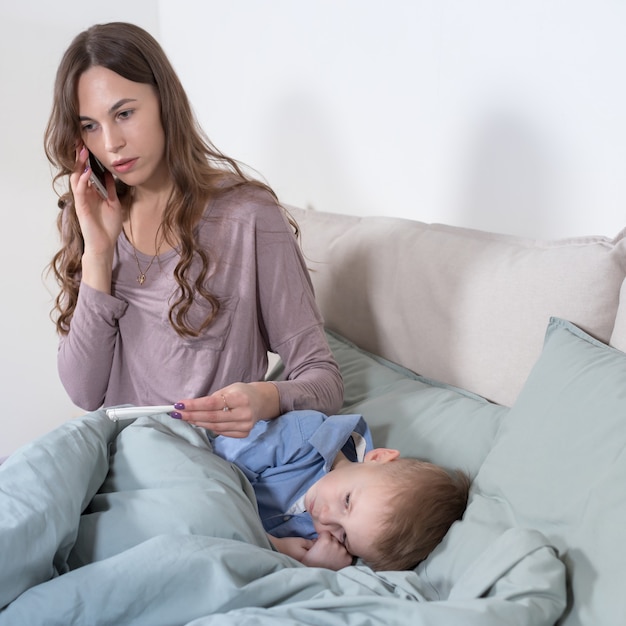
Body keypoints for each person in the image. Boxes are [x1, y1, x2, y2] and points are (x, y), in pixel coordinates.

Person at [44, 22, 343, 437]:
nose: (110, 143)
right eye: (90, 126)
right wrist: (97, 251)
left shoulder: (247, 216)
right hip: (115, 461)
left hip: (200, 469)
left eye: (124, 113)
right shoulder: (90, 216)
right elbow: (83, 391)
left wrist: (264, 398)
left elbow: (324, 380)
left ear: (165, 102)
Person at [211, 410, 471, 571]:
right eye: (347, 501)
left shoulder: (319, 542)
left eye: (344, 536)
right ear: (378, 457)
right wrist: (275, 545)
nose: (325, 518)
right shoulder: (306, 437)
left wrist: (310, 566)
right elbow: (215, 469)